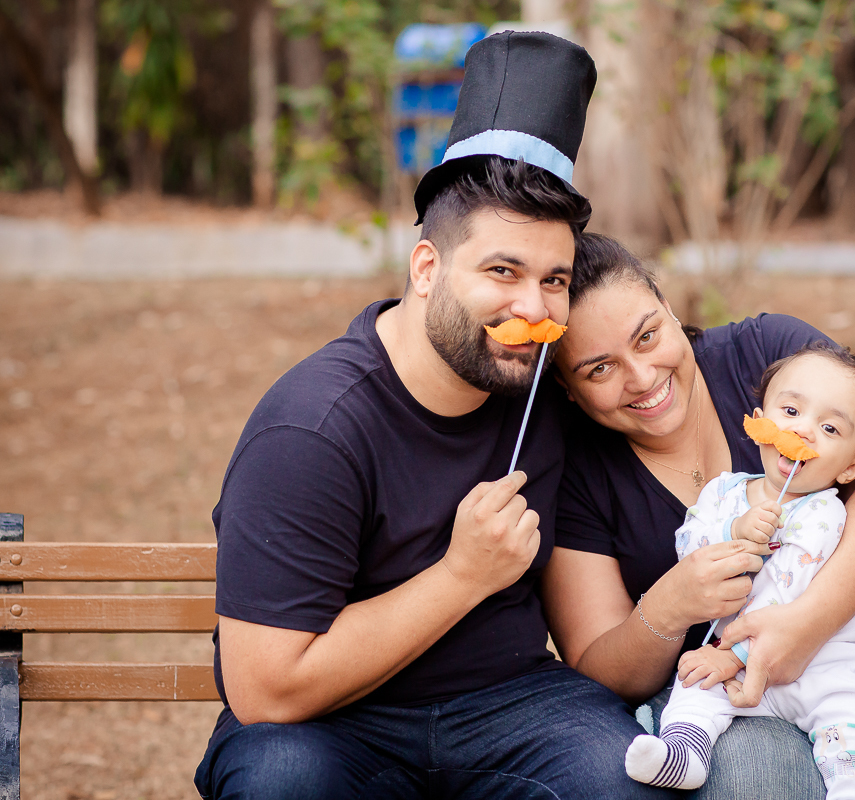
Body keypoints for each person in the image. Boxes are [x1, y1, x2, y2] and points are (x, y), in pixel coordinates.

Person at [194, 34, 672, 800]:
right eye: (501, 271)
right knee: (284, 785)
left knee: (622, 782)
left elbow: (688, 367)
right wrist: (461, 575)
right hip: (332, 725)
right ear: (427, 269)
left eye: (553, 280)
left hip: (513, 704)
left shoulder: (551, 379)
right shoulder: (313, 429)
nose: (533, 306)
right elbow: (265, 692)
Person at [544, 233, 855, 799]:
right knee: (755, 784)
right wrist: (669, 607)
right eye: (600, 369)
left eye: (648, 336)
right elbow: (599, 665)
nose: (643, 376)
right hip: (733, 701)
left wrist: (805, 625)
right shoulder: (576, 468)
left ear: (670, 310)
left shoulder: (771, 358)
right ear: (567, 389)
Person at [626, 340, 855, 798]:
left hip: (819, 662)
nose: (804, 431)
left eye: (829, 428)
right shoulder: (723, 492)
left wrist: (733, 655)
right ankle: (684, 753)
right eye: (790, 412)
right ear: (760, 419)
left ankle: (853, 784)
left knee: (850, 712)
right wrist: (734, 530)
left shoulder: (824, 514)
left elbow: (787, 595)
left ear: (852, 468)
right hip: (733, 664)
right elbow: (688, 550)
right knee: (694, 689)